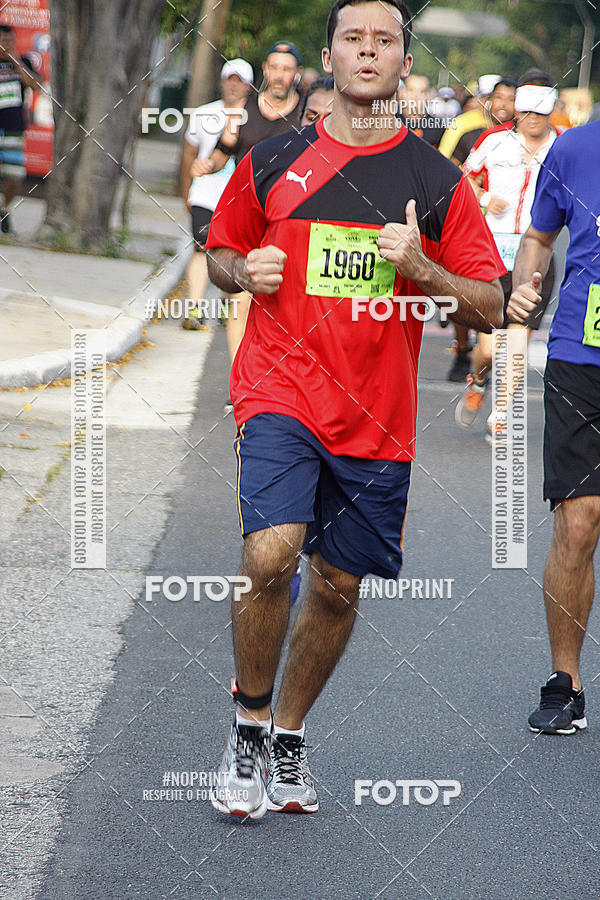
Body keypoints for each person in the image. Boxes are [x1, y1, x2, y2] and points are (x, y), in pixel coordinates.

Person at [205, 0, 504, 819]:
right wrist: (244, 273)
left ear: (404, 62)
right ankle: (249, 722)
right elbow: (220, 253)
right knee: (272, 555)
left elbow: (491, 302)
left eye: (385, 41)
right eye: (353, 38)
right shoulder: (274, 158)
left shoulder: (434, 179)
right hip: (279, 389)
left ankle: (291, 734)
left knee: (336, 584)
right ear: (329, 56)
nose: (368, 52)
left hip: (376, 416)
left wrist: (426, 269)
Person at [507, 119, 600, 734]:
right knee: (579, 519)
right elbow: (539, 237)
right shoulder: (573, 148)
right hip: (580, 354)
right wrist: (523, 289)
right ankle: (563, 682)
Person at [193, 41, 303, 402]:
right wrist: (206, 164)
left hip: (289, 220)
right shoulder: (242, 110)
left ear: (296, 74)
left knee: (283, 303)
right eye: (274, 67)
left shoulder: (305, 112)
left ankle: (281, 379)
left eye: (287, 69)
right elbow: (224, 151)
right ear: (265, 70)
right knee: (239, 296)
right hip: (246, 216)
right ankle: (242, 381)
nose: (280, 75)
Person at [455, 73, 559, 441]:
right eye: (526, 111)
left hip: (535, 256)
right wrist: (484, 199)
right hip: (490, 253)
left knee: (517, 340)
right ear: (516, 109)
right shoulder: (493, 140)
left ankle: (500, 414)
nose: (532, 119)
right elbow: (463, 177)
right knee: (487, 348)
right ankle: (478, 378)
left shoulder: (561, 147)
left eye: (540, 112)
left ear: (552, 111)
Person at [440, 76, 517, 383]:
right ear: (488, 100)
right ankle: (461, 347)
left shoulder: (522, 136)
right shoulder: (464, 126)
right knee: (460, 292)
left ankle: (486, 364)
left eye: (510, 100)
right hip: (465, 220)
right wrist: (480, 192)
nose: (503, 105)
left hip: (505, 234)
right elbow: (445, 165)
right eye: (498, 98)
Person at [180, 59, 253, 330]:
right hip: (205, 194)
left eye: (240, 81)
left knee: (232, 251)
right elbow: (189, 153)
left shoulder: (254, 117)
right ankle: (195, 308)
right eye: (229, 80)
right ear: (222, 82)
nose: (234, 86)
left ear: (249, 87)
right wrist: (186, 188)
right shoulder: (202, 114)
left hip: (238, 198)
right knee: (201, 249)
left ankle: (227, 303)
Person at [0, 24, 39, 233]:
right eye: (3, 42)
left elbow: (35, 85)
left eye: (10, 42)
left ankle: (4, 210)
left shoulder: (22, 62)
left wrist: (16, 62)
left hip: (14, 127)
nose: (7, 46)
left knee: (14, 177)